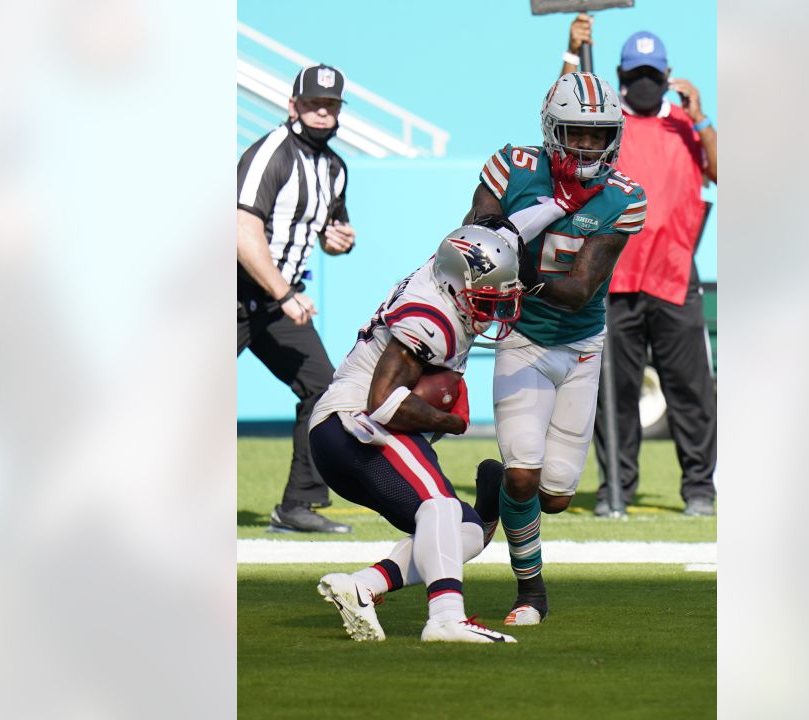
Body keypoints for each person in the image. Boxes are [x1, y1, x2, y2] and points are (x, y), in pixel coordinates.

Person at [464, 72, 647, 625]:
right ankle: (531, 591)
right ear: (551, 129)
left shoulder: (623, 197)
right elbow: (474, 236)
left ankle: (497, 488)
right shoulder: (514, 167)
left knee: (557, 494)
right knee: (525, 468)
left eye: (599, 135)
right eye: (576, 132)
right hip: (522, 335)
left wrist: (511, 259)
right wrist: (501, 239)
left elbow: (577, 291)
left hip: (582, 345)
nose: (589, 146)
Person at [307, 221, 524, 643]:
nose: (493, 312)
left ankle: (363, 587)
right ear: (456, 286)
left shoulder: (445, 272)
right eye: (484, 300)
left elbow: (483, 227)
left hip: (349, 434)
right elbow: (383, 402)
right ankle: (445, 618)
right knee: (440, 507)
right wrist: (450, 421)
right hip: (353, 422)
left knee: (467, 530)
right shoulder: (432, 319)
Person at [561, 18, 719, 517]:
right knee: (616, 393)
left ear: (668, 74)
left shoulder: (686, 127)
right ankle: (617, 491)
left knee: (690, 390)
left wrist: (701, 119)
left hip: (674, 276)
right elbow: (560, 133)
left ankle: (699, 489)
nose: (643, 83)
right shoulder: (607, 128)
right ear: (620, 76)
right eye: (635, 74)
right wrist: (570, 56)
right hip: (614, 277)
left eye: (653, 74)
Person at [237, 64, 358, 533]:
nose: (322, 113)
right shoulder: (273, 152)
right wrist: (284, 291)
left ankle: (297, 506)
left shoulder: (333, 168)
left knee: (323, 391)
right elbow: (242, 230)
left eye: (330, 105)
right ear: (293, 106)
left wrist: (337, 240)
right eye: (313, 104)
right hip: (233, 289)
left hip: (275, 302)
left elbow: (328, 232)